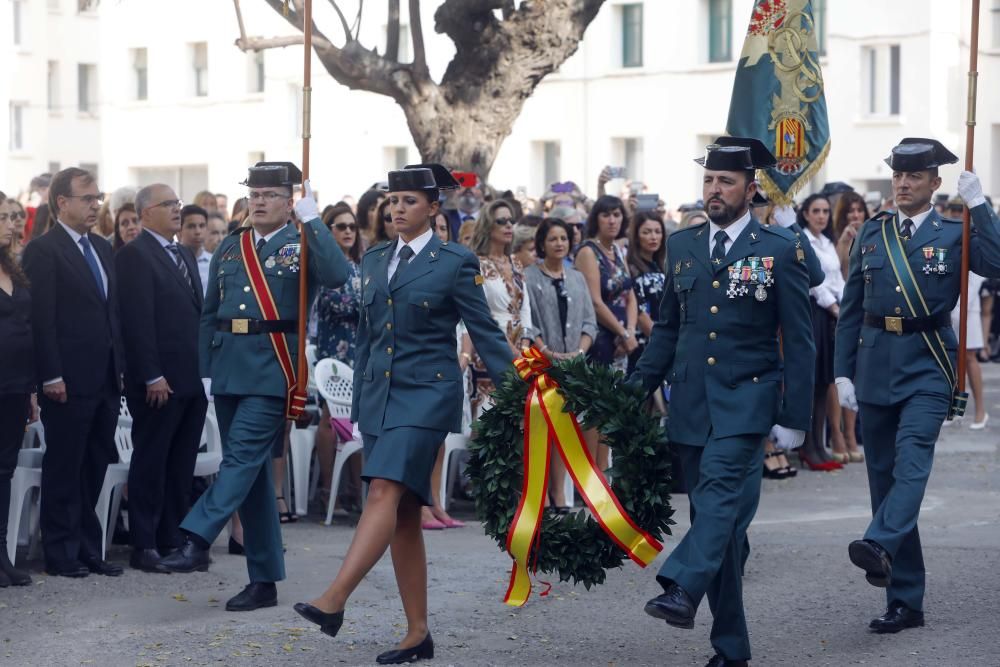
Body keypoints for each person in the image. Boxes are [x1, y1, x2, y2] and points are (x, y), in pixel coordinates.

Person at [293, 164, 514, 665]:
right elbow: (368, 335)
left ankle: (334, 601)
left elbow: (484, 332)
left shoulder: (455, 261)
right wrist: (308, 216)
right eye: (393, 201)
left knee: (384, 491)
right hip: (380, 399)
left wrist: (518, 391)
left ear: (433, 208)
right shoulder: (373, 260)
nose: (397, 209)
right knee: (406, 517)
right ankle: (418, 633)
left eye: (410, 201)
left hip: (427, 397)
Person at [634, 139, 814, 667]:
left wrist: (794, 418)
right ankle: (731, 650)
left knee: (715, 503)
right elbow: (668, 328)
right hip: (691, 402)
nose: (714, 190)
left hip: (747, 400)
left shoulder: (780, 247)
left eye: (726, 182)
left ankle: (681, 589)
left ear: (750, 189)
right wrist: (635, 389)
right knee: (724, 532)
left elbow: (799, 339)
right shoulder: (682, 245)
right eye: (709, 180)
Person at [159, 162, 349, 613]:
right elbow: (210, 312)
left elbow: (339, 276)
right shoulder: (231, 246)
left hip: (272, 368)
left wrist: (315, 219)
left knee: (241, 457)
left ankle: (196, 536)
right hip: (228, 366)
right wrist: (207, 370)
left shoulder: (302, 241)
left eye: (270, 194)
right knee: (256, 477)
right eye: (254, 193)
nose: (259, 201)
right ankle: (263, 580)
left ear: (289, 201)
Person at [835, 138, 1000, 635]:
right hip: (874, 363)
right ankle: (905, 600)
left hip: (929, 362)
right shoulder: (872, 234)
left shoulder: (956, 231)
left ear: (935, 183)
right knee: (883, 479)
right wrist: (843, 371)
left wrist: (981, 206)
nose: (903, 183)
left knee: (911, 461)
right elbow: (851, 308)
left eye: (914, 176)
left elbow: (996, 264)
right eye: (897, 175)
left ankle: (881, 542)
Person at [21, 167, 126, 578]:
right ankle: (60, 551)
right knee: (65, 465)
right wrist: (50, 375)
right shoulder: (44, 250)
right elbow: (41, 319)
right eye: (87, 198)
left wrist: (120, 370)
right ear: (62, 202)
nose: (95, 205)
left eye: (98, 197)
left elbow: (110, 313)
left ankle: (87, 545)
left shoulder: (100, 248)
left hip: (102, 377)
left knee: (96, 461)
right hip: (66, 379)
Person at [116, 184, 207, 574]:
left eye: (178, 203)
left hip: (191, 379)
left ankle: (173, 536)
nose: (177, 210)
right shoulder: (135, 255)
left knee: (181, 462)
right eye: (168, 204)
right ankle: (145, 542)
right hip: (158, 382)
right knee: (152, 460)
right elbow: (137, 322)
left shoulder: (183, 252)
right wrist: (152, 374)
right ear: (145, 212)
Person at [524, 218, 596, 510]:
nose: (559, 243)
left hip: (576, 365)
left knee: (572, 429)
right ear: (542, 243)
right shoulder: (529, 276)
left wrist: (579, 351)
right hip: (542, 364)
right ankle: (540, 496)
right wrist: (547, 352)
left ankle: (562, 493)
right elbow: (528, 323)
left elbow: (590, 321)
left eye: (564, 238)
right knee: (544, 430)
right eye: (552, 238)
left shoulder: (577, 277)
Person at [312, 204, 364, 514]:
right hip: (333, 352)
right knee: (330, 418)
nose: (347, 231)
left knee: (358, 420)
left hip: (360, 351)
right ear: (329, 232)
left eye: (351, 227)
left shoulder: (362, 265)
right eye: (340, 226)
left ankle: (356, 491)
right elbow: (340, 301)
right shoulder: (324, 266)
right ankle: (327, 488)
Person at [467, 199, 535, 418]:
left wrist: (524, 344)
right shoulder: (476, 264)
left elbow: (525, 307)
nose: (508, 225)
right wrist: (511, 350)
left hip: (521, 348)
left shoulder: (515, 261)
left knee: (520, 417)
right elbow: (482, 313)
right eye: (501, 221)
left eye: (511, 220)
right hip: (490, 348)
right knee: (489, 417)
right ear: (488, 226)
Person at [797, 194, 848, 471]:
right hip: (815, 310)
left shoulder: (827, 242)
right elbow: (814, 281)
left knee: (823, 383)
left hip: (832, 312)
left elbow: (837, 277)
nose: (821, 216)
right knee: (812, 381)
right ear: (805, 214)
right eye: (815, 211)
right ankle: (807, 446)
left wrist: (844, 304)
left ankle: (818, 444)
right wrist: (834, 307)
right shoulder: (803, 239)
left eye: (825, 211)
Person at [0, 197, 34, 586]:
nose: (13, 225)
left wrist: (31, 390)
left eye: (13, 218)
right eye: (5, 219)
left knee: (4, 471)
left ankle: (3, 553)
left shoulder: (14, 268)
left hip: (15, 385)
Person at [627, 210, 667, 373]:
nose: (653, 237)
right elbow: (639, 312)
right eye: (647, 232)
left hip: (663, 339)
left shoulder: (661, 265)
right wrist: (664, 342)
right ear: (636, 236)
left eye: (658, 232)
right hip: (643, 345)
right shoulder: (630, 267)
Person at [178, 204, 212, 293]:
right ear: (179, 230)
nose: (198, 232)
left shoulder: (213, 262)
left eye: (202, 226)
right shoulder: (174, 261)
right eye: (191, 226)